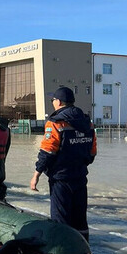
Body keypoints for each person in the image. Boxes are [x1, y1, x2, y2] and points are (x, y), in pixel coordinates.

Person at [29, 87, 96, 242]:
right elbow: (92, 153)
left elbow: (47, 151)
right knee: (80, 219)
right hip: (80, 176)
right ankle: (83, 251)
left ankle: (63, 253)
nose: (52, 102)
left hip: (61, 179)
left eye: (53, 100)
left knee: (61, 219)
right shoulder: (87, 122)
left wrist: (36, 174)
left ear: (59, 102)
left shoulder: (55, 122)